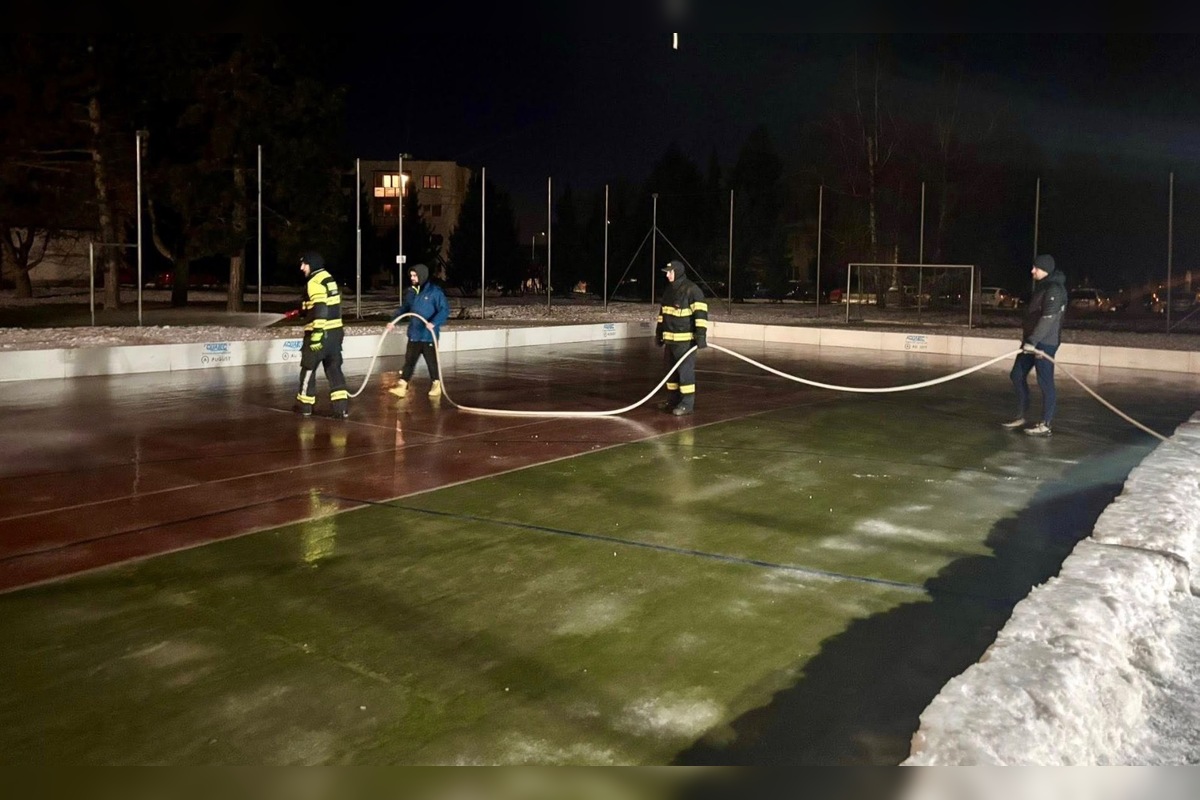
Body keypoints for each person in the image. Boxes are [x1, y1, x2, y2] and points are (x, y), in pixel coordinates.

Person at [1002, 253, 1067, 436]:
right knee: (1017, 375)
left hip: (1044, 343)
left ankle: (1045, 424)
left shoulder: (1054, 289)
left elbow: (1048, 318)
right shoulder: (1043, 287)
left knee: (1045, 382)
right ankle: (1021, 415)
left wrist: (1033, 341)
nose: (1032, 271)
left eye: (1035, 268)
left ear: (1044, 269)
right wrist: (1028, 340)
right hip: (1031, 341)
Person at [294, 251, 348, 419]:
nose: (302, 267)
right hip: (335, 334)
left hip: (320, 334)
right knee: (334, 369)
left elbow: (321, 307)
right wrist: (304, 309)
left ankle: (305, 406)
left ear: (312, 264)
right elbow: (325, 304)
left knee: (308, 369)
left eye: (304, 264)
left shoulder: (314, 281)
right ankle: (341, 408)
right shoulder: (328, 279)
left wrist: (317, 332)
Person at [386, 263, 450, 398]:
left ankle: (436, 384)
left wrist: (434, 322)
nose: (412, 278)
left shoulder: (434, 292)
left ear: (422, 276)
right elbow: (404, 308)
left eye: (415, 276)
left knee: (431, 362)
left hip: (428, 336)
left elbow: (444, 310)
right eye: (411, 275)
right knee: (409, 361)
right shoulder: (411, 292)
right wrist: (393, 321)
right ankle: (402, 385)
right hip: (414, 334)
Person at [654, 259, 709, 416]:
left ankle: (687, 404)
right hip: (670, 341)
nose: (667, 276)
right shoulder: (669, 291)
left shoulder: (692, 290)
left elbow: (701, 315)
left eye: (669, 272)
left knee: (685, 373)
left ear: (677, 272)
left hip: (685, 342)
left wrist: (700, 336)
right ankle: (673, 401)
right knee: (670, 373)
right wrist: (659, 333)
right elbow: (662, 315)